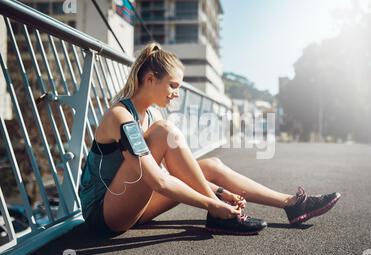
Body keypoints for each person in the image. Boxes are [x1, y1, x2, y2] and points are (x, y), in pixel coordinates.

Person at [79, 42, 341, 238]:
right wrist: (213, 203)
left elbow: (170, 175)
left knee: (212, 165)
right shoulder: (121, 116)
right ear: (150, 79)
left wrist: (219, 192)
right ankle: (219, 215)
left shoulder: (151, 115)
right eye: (173, 86)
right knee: (164, 132)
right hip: (104, 215)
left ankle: (292, 204)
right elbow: (157, 180)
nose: (177, 94)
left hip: (135, 204)